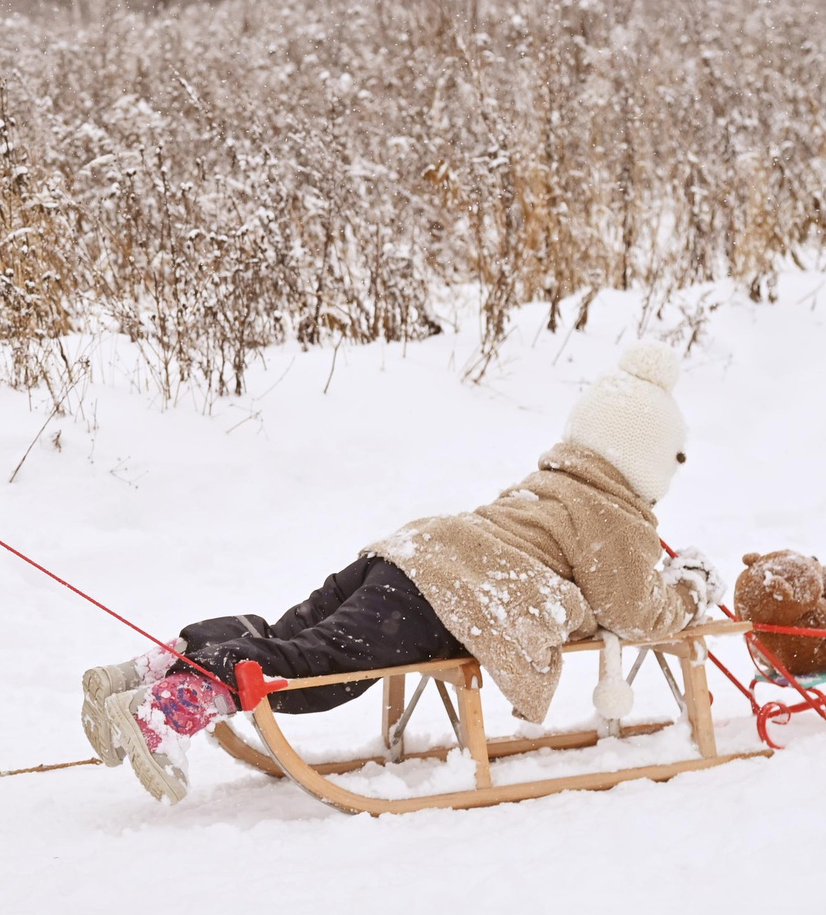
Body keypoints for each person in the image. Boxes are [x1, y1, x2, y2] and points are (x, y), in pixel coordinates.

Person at [80, 343, 722, 802]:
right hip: (439, 593)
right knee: (319, 671)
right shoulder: (615, 516)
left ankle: (152, 669)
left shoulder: (550, 481)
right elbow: (638, 611)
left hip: (408, 551)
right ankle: (165, 714)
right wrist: (690, 586)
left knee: (291, 634)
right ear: (648, 458)